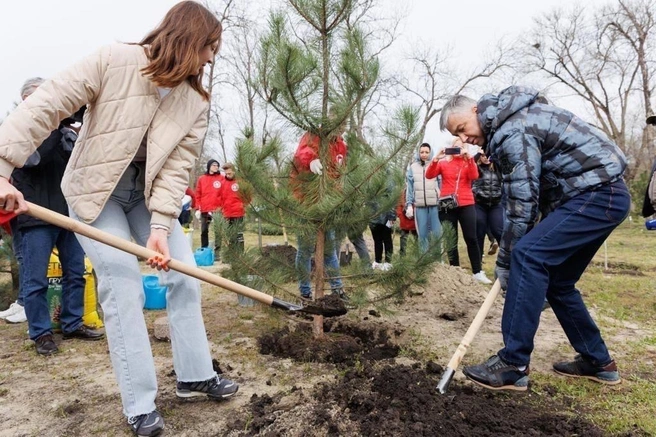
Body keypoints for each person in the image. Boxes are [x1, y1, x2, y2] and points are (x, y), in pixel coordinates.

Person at [0, 2, 238, 435]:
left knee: (184, 277)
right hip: (97, 193)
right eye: (209, 47)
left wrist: (162, 229)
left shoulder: (195, 101)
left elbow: (175, 168)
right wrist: (2, 165)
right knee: (123, 284)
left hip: (147, 197)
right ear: (188, 39)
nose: (210, 58)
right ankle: (140, 403)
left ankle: (193, 375)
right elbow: (46, 106)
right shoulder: (113, 60)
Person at [439, 86, 628, 391]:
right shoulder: (514, 119)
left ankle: (513, 364)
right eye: (456, 136)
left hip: (596, 194)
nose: (463, 140)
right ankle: (598, 361)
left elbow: (522, 202)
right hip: (603, 196)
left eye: (462, 129)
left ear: (476, 110)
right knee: (558, 281)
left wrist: (505, 259)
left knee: (527, 256)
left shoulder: (512, 129)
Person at [6, 77, 104, 353]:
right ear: (27, 101)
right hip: (35, 217)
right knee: (35, 280)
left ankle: (73, 323)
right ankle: (40, 333)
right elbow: (33, 161)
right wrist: (55, 126)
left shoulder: (64, 130)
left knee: (76, 273)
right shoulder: (19, 130)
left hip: (68, 215)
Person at [290, 123, 347, 300]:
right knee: (305, 250)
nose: (341, 128)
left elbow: (339, 173)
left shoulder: (341, 146)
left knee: (329, 249)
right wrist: (311, 159)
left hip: (326, 204)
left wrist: (335, 197)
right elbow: (302, 153)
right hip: (305, 201)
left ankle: (337, 289)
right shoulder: (314, 135)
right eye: (338, 122)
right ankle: (305, 292)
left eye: (344, 124)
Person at [425, 139, 492, 284]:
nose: (458, 150)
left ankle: (477, 271)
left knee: (471, 237)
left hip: (466, 203)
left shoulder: (468, 163)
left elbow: (474, 176)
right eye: (455, 147)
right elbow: (429, 175)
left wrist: (469, 158)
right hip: (447, 204)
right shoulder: (443, 163)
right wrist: (436, 157)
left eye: (461, 147)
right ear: (450, 147)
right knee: (451, 238)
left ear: (465, 149)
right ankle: (454, 270)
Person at [405, 143, 441, 252]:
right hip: (420, 206)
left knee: (436, 234)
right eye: (422, 152)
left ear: (430, 152)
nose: (424, 154)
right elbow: (410, 187)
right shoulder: (413, 167)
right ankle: (424, 259)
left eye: (426, 152)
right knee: (422, 235)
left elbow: (440, 183)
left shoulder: (436, 165)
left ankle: (437, 259)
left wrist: (441, 199)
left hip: (435, 205)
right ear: (418, 153)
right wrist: (409, 204)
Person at [472, 151, 503, 265]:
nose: (485, 158)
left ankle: (505, 259)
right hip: (480, 204)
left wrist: (493, 153)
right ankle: (478, 262)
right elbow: (470, 163)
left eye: (487, 155)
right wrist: (477, 154)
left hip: (496, 204)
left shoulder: (497, 169)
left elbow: (502, 163)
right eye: (483, 155)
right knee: (479, 232)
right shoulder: (477, 168)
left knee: (498, 230)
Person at [218, 163, 251, 257]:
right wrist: (221, 208)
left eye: (229, 173)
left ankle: (241, 254)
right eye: (226, 173)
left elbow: (248, 195)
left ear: (233, 171)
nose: (228, 175)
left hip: (238, 212)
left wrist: (243, 205)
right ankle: (233, 255)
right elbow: (219, 197)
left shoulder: (240, 182)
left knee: (239, 234)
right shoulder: (222, 183)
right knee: (230, 235)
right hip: (227, 213)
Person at [195, 159, 224, 258]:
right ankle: (204, 250)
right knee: (204, 230)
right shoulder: (202, 179)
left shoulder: (221, 178)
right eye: (214, 165)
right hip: (205, 209)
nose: (216, 167)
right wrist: (197, 208)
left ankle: (217, 252)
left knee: (217, 231)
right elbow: (198, 194)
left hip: (217, 210)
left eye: (217, 165)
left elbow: (224, 194)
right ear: (209, 166)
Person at [396, 189, 417, 256]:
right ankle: (402, 254)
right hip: (404, 219)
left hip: (414, 220)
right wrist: (399, 214)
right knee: (403, 237)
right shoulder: (402, 192)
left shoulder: (416, 191)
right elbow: (398, 205)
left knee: (417, 238)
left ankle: (417, 255)